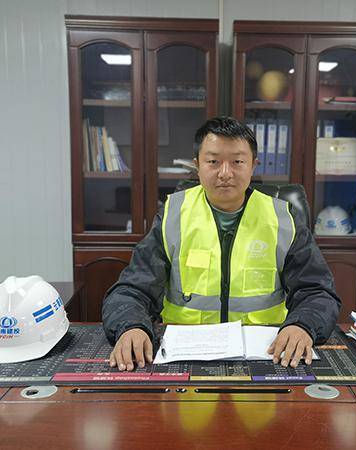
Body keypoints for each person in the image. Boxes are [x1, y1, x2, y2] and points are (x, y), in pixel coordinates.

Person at [102, 116, 340, 371]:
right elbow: (132, 289)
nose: (225, 173)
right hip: (185, 356)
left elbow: (317, 290)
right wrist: (132, 326)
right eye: (213, 162)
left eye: (237, 162)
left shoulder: (282, 219)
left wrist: (302, 325)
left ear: (253, 165)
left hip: (267, 355)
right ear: (197, 165)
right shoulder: (174, 216)